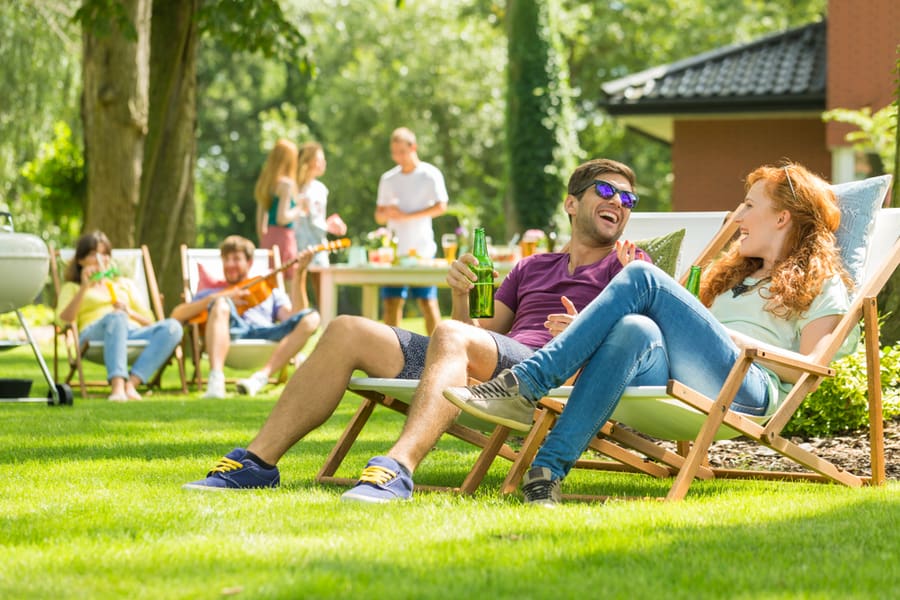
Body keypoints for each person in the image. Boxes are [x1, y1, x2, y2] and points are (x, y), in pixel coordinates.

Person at [182, 158, 650, 499]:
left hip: (548, 376)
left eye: (627, 199)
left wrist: (587, 331)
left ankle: (398, 467)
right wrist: (462, 295)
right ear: (571, 203)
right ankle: (256, 462)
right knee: (346, 328)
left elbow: (641, 343)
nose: (620, 204)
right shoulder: (531, 267)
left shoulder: (631, 267)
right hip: (494, 366)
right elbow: (475, 334)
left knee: (449, 334)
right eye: (607, 193)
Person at [443, 162, 859, 506]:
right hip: (684, 373)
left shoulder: (824, 285)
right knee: (634, 327)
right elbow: (675, 334)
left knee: (643, 275)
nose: (737, 218)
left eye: (749, 206)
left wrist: (733, 341)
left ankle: (528, 383)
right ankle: (547, 473)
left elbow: (808, 369)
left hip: (747, 387)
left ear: (782, 217)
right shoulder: (732, 275)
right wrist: (597, 324)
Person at [170, 235, 320, 398]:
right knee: (220, 304)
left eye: (236, 259)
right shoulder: (211, 293)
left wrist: (300, 274)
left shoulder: (267, 290)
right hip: (232, 333)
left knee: (312, 317)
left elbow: (294, 316)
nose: (229, 264)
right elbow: (176, 315)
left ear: (249, 263)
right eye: (226, 259)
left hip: (265, 333)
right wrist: (224, 297)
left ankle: (260, 378)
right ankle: (216, 382)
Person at [56, 231, 183, 401]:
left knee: (174, 327)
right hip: (93, 337)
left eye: (104, 254)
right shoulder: (73, 287)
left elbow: (151, 322)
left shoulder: (124, 284)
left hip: (131, 332)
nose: (100, 259)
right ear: (80, 260)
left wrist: (129, 312)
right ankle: (117, 388)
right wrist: (85, 287)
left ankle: (130, 385)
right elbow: (62, 321)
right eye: (93, 254)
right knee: (116, 318)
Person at [375, 127, 448, 335]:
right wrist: (388, 212)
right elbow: (379, 215)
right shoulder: (388, 178)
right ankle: (391, 355)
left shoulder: (430, 174)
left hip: (422, 250)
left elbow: (441, 206)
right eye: (394, 152)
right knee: (391, 303)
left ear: (413, 147)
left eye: (402, 151)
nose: (398, 157)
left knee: (427, 302)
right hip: (394, 253)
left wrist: (407, 216)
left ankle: (437, 349)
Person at [293, 141, 347, 309]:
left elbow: (317, 219)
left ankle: (326, 325)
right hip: (298, 243)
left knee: (321, 288)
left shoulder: (320, 188)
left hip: (317, 244)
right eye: (319, 159)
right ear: (308, 162)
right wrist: (327, 225)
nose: (323, 163)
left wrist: (330, 225)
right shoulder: (293, 187)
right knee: (298, 283)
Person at [254, 139, 304, 306]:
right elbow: (283, 217)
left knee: (270, 281)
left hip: (268, 237)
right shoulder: (286, 184)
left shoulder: (266, 183)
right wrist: (299, 209)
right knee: (289, 281)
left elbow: (260, 225)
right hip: (284, 237)